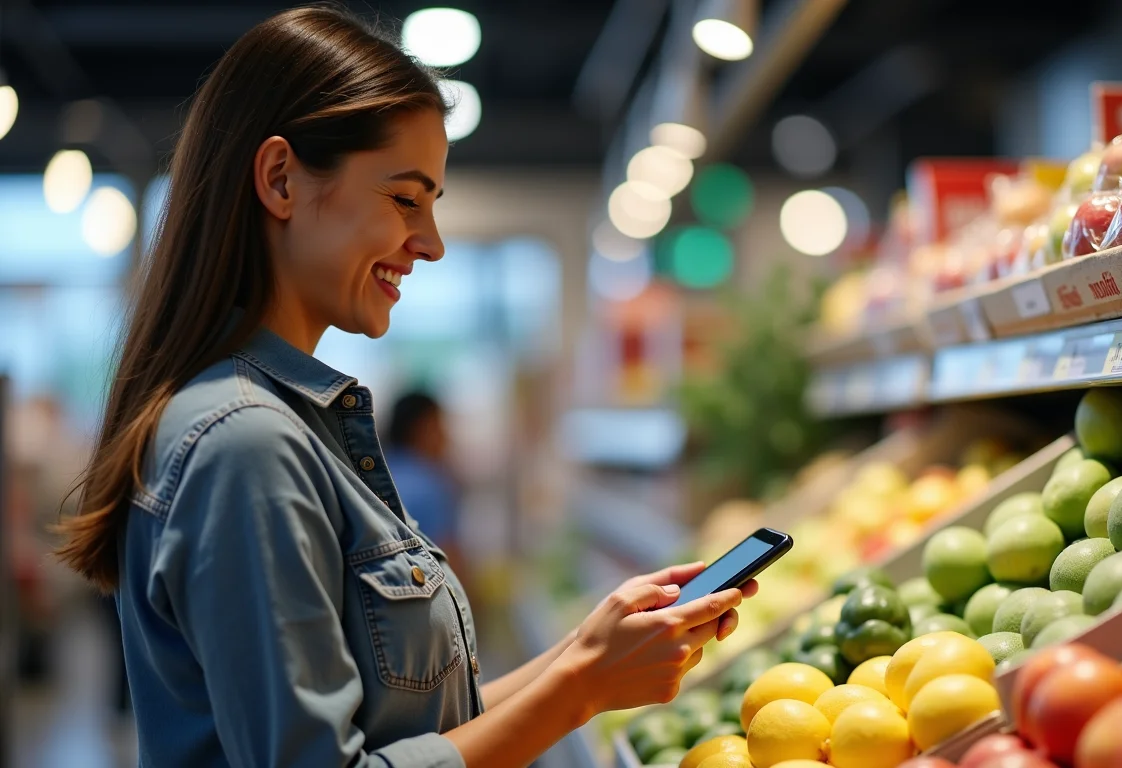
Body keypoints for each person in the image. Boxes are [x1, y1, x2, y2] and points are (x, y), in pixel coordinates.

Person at [53, 7, 753, 767]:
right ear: (281, 179)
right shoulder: (245, 444)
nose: (431, 243)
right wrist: (580, 688)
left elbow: (410, 733)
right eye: (404, 199)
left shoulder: (290, 425)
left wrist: (584, 652)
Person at [383, 392, 462, 565]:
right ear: (421, 429)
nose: (445, 437)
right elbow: (449, 558)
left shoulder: (382, 473)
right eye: (439, 426)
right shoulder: (429, 485)